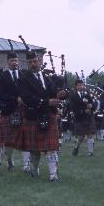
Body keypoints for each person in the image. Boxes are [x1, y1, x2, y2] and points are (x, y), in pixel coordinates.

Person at [14, 51, 66, 181]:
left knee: (51, 147)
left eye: (35, 61)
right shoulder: (23, 79)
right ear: (27, 63)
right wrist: (46, 102)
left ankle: (53, 175)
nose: (33, 64)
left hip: (49, 114)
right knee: (34, 150)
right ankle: (34, 171)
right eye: (30, 62)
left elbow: (54, 92)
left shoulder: (47, 77)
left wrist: (61, 94)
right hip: (33, 116)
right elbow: (27, 98)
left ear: (40, 61)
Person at [0, 51, 30, 172]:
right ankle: (10, 161)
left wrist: (24, 98)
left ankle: (26, 165)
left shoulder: (24, 74)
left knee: (26, 138)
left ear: (18, 61)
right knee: (9, 141)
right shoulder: (2, 76)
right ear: (7, 62)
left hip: (24, 110)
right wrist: (15, 99)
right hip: (9, 111)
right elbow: (1, 95)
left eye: (16, 60)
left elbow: (30, 90)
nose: (14, 63)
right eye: (12, 61)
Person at [68, 79, 97, 157]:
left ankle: (90, 152)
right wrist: (84, 111)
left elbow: (93, 104)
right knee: (81, 137)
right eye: (79, 85)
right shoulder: (72, 96)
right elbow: (73, 107)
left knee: (90, 134)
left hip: (89, 117)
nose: (81, 86)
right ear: (76, 86)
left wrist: (91, 106)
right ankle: (76, 147)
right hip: (79, 118)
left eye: (82, 85)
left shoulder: (87, 94)